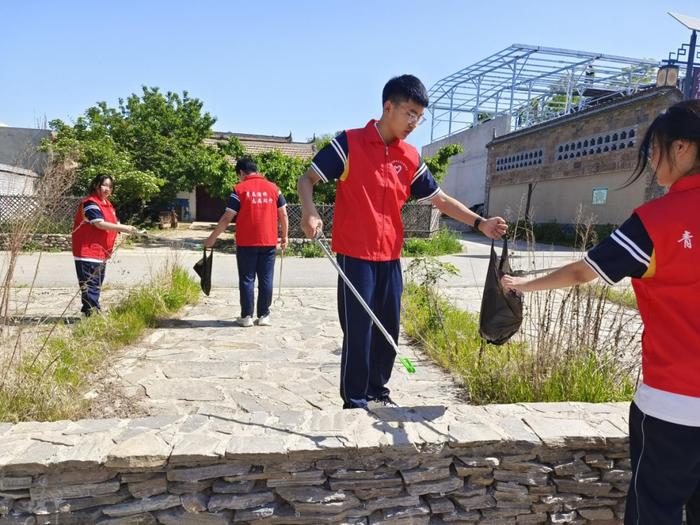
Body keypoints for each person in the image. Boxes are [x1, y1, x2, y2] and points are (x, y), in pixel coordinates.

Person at [502, 100, 700, 525]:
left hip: (673, 402)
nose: (650, 160)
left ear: (682, 148)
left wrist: (522, 284)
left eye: (655, 148)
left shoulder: (655, 221)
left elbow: (581, 272)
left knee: (655, 510)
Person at [297, 74, 507, 410]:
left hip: (390, 258)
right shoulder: (349, 143)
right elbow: (306, 179)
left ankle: (378, 392)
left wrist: (480, 222)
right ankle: (354, 400)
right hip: (355, 256)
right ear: (388, 106)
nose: (414, 122)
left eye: (419, 117)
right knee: (360, 331)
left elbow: (440, 199)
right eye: (409, 113)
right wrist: (309, 213)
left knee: (388, 330)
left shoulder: (409, 157)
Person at [205, 157, 288, 327]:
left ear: (241, 173)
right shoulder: (274, 189)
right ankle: (264, 315)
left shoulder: (239, 190)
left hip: (246, 243)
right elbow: (283, 214)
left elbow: (227, 217)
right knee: (266, 278)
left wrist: (212, 238)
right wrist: (284, 236)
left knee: (247, 279)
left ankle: (247, 317)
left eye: (239, 175)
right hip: (269, 241)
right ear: (256, 170)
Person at [72, 174, 140, 316]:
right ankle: (92, 314)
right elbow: (99, 224)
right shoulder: (90, 203)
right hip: (88, 252)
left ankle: (90, 313)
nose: (107, 189)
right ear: (97, 186)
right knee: (91, 286)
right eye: (104, 185)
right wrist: (125, 228)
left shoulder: (107, 205)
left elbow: (115, 223)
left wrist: (130, 230)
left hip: (101, 253)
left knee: (95, 285)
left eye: (110, 186)